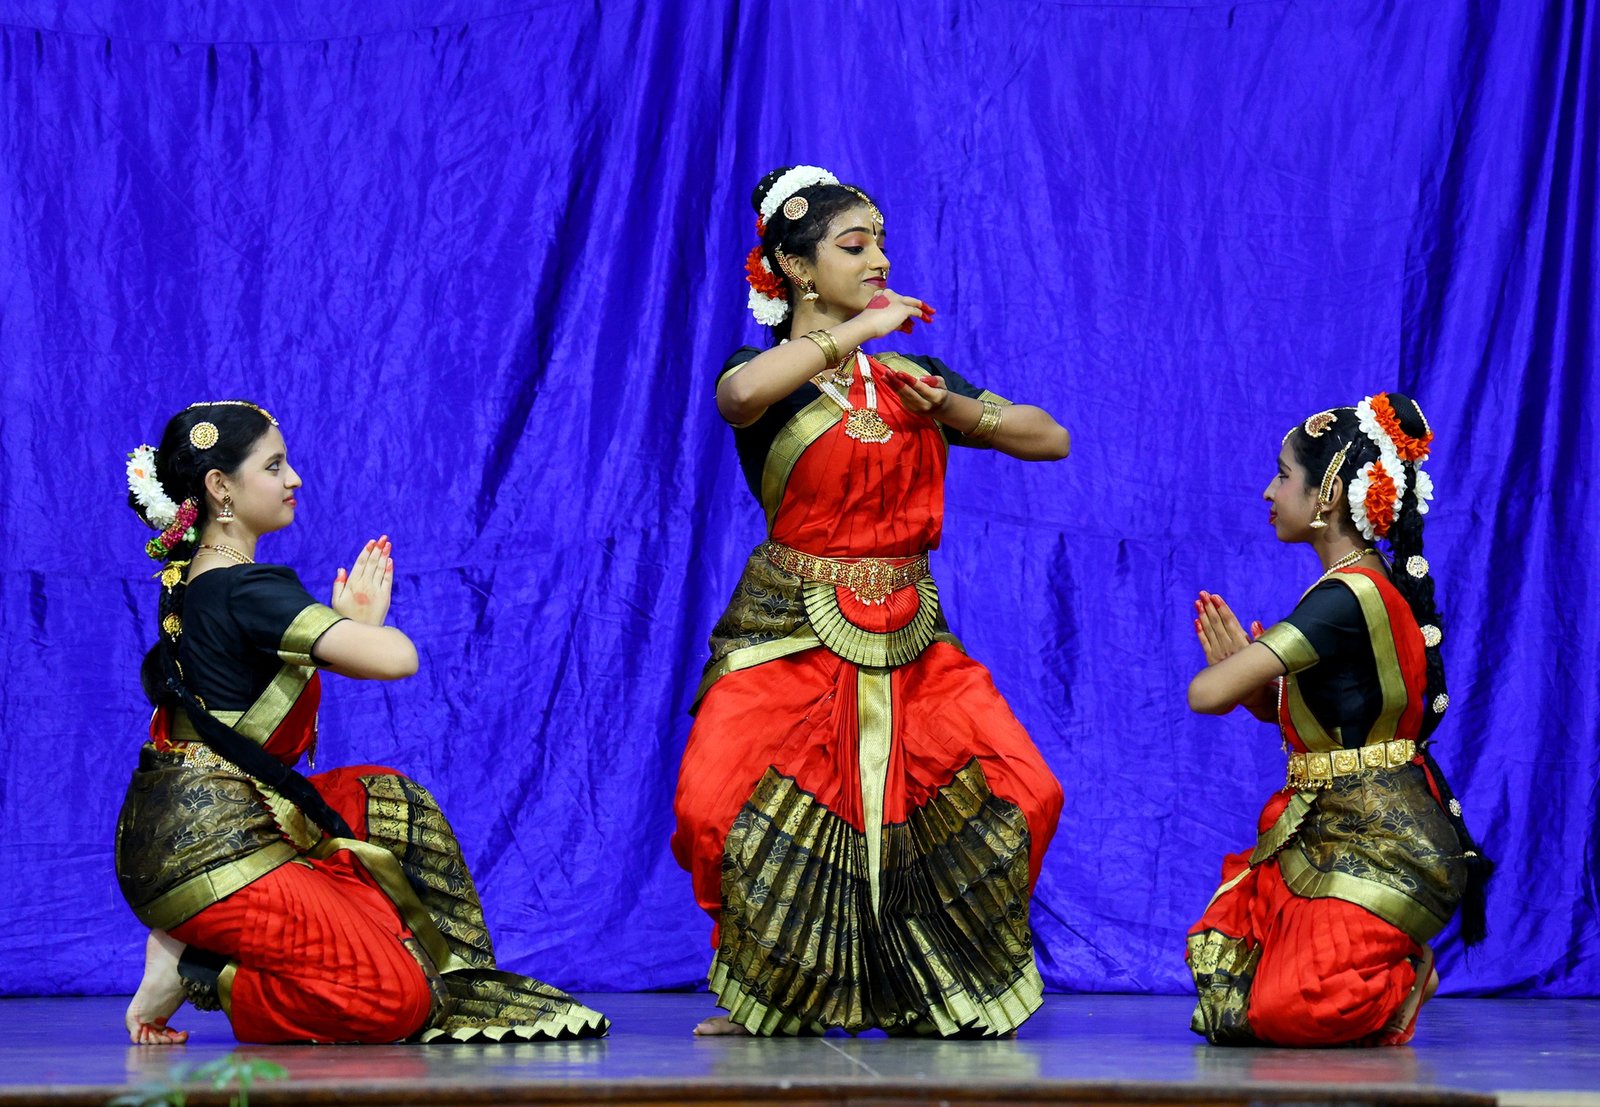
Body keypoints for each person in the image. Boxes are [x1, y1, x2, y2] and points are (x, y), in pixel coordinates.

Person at [671, 165, 1071, 1037]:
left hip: (911, 631)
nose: (879, 260)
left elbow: (1051, 438)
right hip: (787, 625)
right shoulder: (765, 373)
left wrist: (953, 408)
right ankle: (774, 989)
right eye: (855, 246)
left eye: (882, 244)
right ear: (796, 267)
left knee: (1024, 789)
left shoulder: (910, 375)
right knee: (714, 805)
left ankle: (930, 980)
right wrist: (854, 335)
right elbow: (739, 398)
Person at [117, 401, 608, 1045]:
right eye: (274, 465)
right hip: (209, 849)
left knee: (385, 803)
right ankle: (200, 966)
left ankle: (315, 946)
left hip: (198, 826)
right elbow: (398, 659)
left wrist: (344, 627)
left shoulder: (199, 581)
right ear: (220, 487)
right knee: (394, 1000)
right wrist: (356, 630)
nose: (294, 478)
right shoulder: (242, 588)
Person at [1184, 394, 1490, 1046]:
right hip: (1331, 825)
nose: (1269, 491)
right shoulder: (1361, 582)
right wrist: (1254, 685)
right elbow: (1329, 719)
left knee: (1287, 1010)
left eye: (1283, 475)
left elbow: (1203, 695)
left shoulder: (1341, 600)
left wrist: (1235, 671)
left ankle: (1405, 974)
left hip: (1381, 840)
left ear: (1326, 493)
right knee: (1243, 1004)